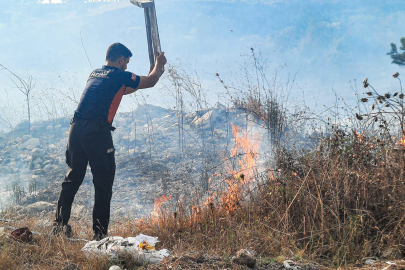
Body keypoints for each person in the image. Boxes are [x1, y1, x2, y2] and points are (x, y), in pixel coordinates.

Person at [52, 43, 167, 240]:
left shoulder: (95, 73)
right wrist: (159, 65)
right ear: (121, 60)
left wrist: (148, 77)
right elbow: (151, 82)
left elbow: (125, 90)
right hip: (97, 133)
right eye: (127, 63)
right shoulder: (120, 75)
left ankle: (59, 226)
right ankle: (99, 237)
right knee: (103, 184)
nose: (126, 67)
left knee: (72, 179)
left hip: (76, 130)